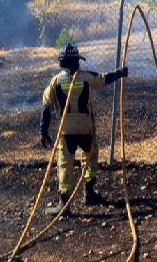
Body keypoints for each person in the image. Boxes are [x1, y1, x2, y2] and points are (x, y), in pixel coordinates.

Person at [40, 43, 127, 215]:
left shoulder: (55, 81)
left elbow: (46, 107)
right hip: (86, 128)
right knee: (90, 157)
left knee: (65, 164)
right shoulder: (87, 77)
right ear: (77, 61)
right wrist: (121, 73)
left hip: (66, 132)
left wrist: (43, 131)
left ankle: (63, 205)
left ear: (61, 62)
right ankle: (89, 193)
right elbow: (104, 79)